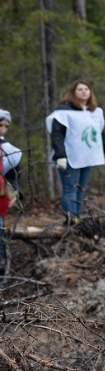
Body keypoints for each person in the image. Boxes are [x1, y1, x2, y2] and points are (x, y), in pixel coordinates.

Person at [46, 79, 105, 225]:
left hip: (87, 158)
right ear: (73, 92)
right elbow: (57, 135)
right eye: (80, 89)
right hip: (69, 157)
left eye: (86, 89)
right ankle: (71, 219)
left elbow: (101, 135)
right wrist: (60, 155)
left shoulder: (95, 112)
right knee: (70, 189)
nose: (83, 91)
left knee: (81, 189)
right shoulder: (64, 112)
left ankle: (77, 218)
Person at [0, 109, 22, 276]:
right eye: (0, 125)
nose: (2, 129)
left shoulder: (8, 151)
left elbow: (13, 175)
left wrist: (14, 191)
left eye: (6, 126)